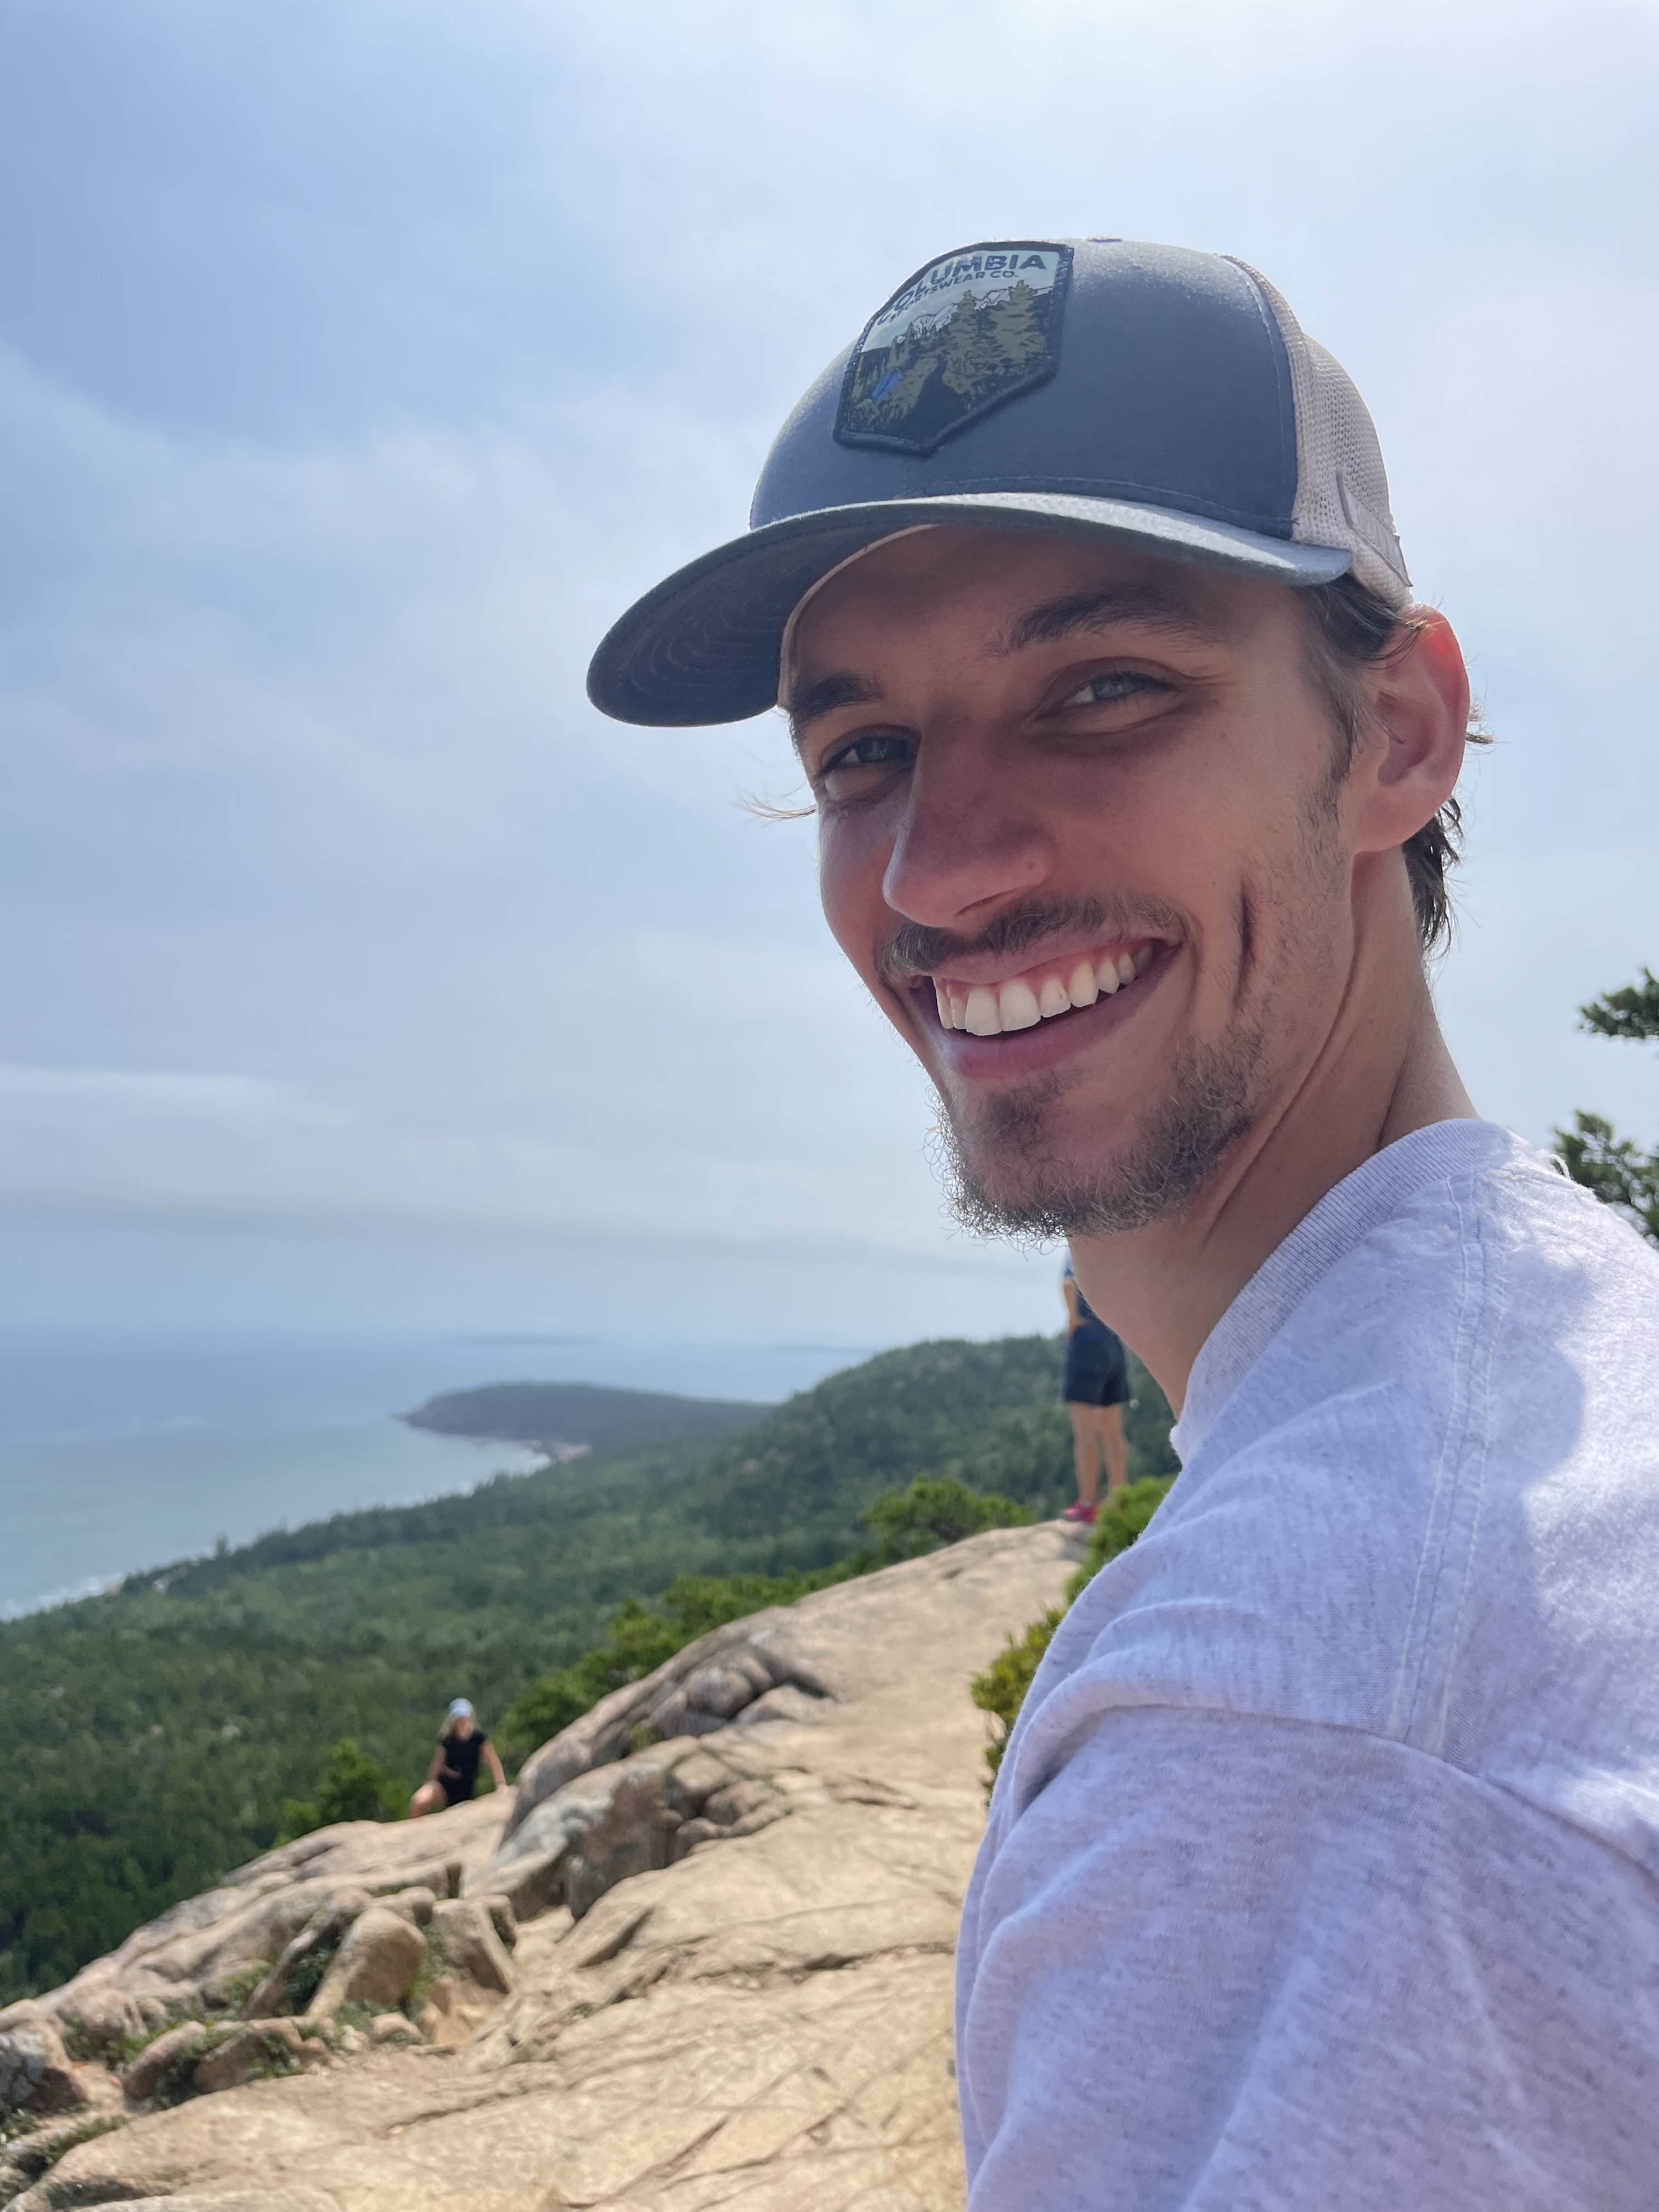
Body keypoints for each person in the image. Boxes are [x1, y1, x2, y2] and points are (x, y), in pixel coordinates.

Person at [586, 239, 1659, 2206]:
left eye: (1100, 687)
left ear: (1396, 734)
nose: (937, 872)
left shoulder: (1301, 1745)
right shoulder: (1564, 1352)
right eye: (861, 752)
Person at [1060, 1258, 1128, 1522]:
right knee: (1112, 1431)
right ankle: (1119, 1500)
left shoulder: (1076, 1249)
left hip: (1086, 1344)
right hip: (1113, 1344)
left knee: (1084, 1431)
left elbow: (1069, 1284)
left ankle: (1088, 1504)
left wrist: (1073, 1320)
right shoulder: (1112, 1252)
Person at [408, 1697, 505, 1817]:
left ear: (470, 1716)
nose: (461, 1721)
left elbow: (492, 1760)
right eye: (458, 1717)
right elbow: (437, 1764)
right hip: (444, 1786)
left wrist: (500, 1784)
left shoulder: (478, 1739)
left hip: (465, 1787)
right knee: (418, 1801)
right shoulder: (447, 1740)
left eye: (464, 1717)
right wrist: (429, 1783)